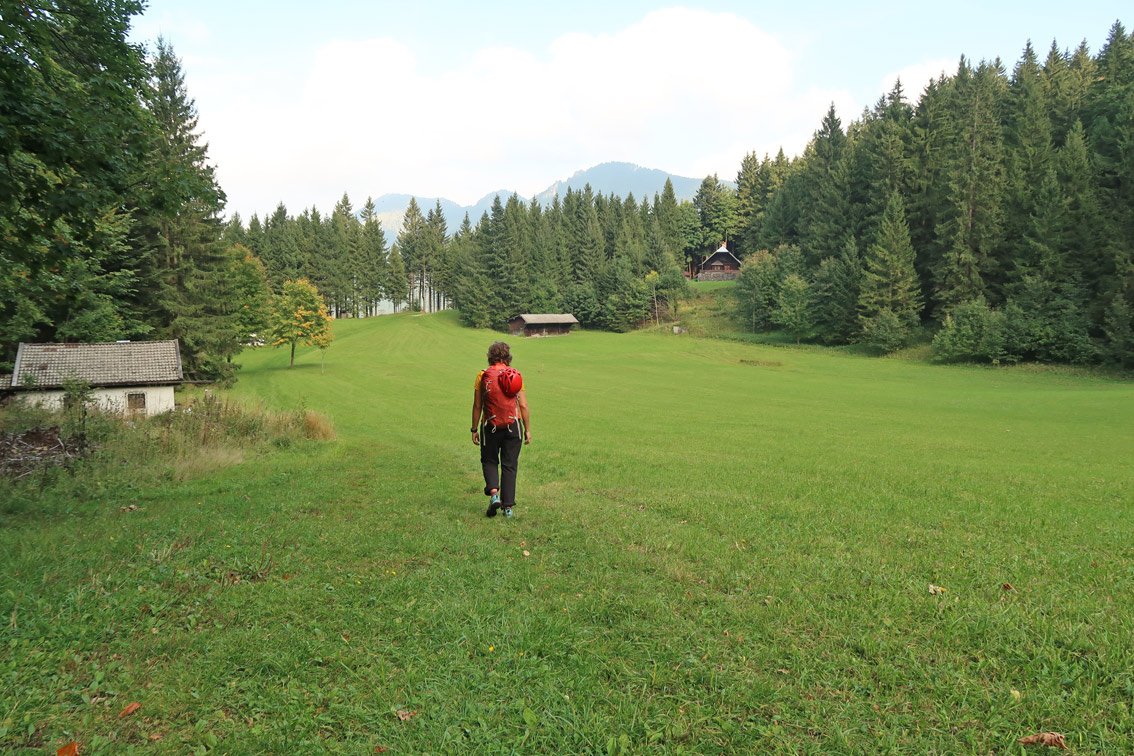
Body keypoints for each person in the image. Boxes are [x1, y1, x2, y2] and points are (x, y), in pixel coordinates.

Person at [471, 341, 531, 518]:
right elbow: (523, 405)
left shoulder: (482, 375)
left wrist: (474, 429)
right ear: (508, 357)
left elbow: (477, 405)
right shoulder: (516, 375)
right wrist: (527, 430)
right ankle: (508, 508)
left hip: (490, 426)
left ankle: (494, 495)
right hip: (513, 426)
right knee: (509, 465)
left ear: (490, 356)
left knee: (489, 460)